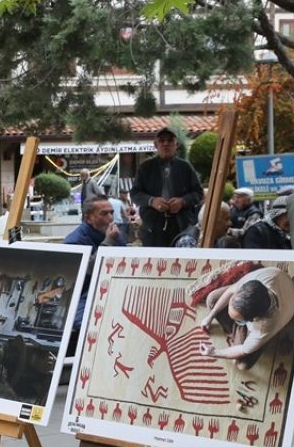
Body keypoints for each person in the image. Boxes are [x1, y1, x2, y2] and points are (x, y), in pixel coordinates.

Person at [197, 266, 294, 370]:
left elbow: (243, 350)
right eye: (233, 301)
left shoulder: (265, 326)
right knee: (211, 299)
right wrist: (211, 315)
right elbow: (231, 292)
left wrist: (213, 352)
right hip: (279, 279)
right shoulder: (254, 280)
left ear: (252, 320)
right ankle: (239, 333)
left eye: (238, 319)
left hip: (276, 315)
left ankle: (249, 337)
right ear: (242, 291)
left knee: (241, 364)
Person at [131, 128, 203, 247]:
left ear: (176, 145)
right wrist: (151, 201)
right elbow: (135, 194)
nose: (166, 144)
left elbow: (198, 193)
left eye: (170, 140)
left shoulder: (185, 167)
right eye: (161, 140)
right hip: (153, 226)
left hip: (181, 224)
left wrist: (182, 201)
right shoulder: (146, 168)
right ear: (156, 145)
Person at [64, 196, 124, 325]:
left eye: (111, 213)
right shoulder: (75, 241)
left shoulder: (113, 234)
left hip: (114, 288)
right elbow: (84, 273)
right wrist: (108, 243)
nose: (110, 218)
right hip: (86, 294)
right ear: (88, 218)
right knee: (82, 324)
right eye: (104, 214)